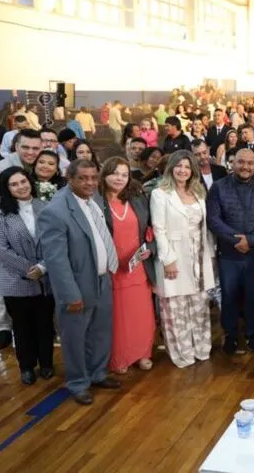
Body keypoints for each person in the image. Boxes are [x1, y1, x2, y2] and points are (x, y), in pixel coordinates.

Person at [38, 159, 121, 405]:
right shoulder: (55, 211)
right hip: (77, 285)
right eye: (83, 178)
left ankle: (97, 373)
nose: (90, 183)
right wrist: (69, 294)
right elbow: (56, 260)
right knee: (75, 337)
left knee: (100, 332)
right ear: (69, 177)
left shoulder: (93, 199)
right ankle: (77, 382)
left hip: (102, 278)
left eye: (94, 177)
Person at [0, 167, 53, 385]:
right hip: (15, 280)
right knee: (22, 327)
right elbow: (1, 250)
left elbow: (55, 240)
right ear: (6, 188)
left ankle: (47, 364)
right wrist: (29, 269)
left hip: (45, 278)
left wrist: (43, 267)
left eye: (23, 181)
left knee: (44, 324)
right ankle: (26, 367)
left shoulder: (45, 207)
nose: (21, 187)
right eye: (14, 184)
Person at [206, 149, 254, 354]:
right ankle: (230, 334)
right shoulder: (218, 188)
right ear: (232, 164)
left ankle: (251, 333)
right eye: (241, 162)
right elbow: (213, 220)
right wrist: (237, 239)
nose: (245, 167)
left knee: (253, 295)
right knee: (229, 296)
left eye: (250, 163)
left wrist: (251, 240)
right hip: (229, 253)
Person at [150, 151, 216, 368]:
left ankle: (201, 349)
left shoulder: (198, 191)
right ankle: (183, 355)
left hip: (199, 255)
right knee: (176, 308)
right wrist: (168, 259)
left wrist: (211, 256)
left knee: (199, 306)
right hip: (174, 256)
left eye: (187, 167)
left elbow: (205, 227)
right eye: (178, 166)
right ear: (171, 167)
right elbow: (159, 229)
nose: (182, 170)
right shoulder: (160, 193)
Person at [99, 157, 157, 374]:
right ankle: (120, 356)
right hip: (112, 268)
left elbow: (149, 228)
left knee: (141, 314)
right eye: (115, 173)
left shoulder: (136, 199)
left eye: (124, 174)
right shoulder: (96, 202)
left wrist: (149, 247)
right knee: (118, 317)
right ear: (104, 174)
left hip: (138, 266)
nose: (119, 178)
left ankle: (143, 353)